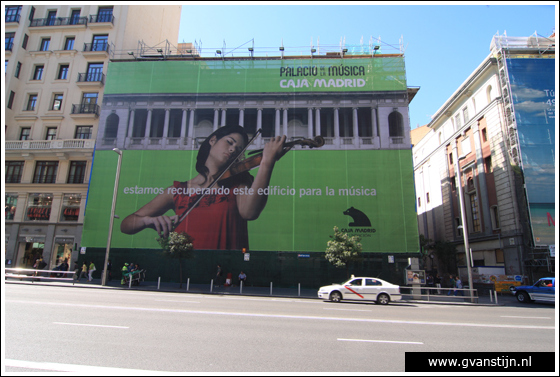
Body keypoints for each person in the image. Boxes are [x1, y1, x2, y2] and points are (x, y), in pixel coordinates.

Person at [120, 125, 286, 250]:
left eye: (238, 149)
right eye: (230, 142)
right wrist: (147, 220)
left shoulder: (238, 183)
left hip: (227, 267)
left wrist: (266, 163)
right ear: (212, 140)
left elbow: (249, 212)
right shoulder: (177, 191)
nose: (233, 149)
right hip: (183, 263)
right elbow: (126, 225)